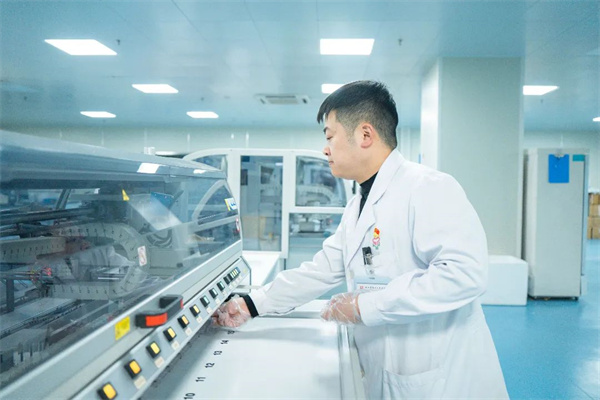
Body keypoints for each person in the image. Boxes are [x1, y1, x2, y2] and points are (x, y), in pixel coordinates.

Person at [213, 81, 508, 399]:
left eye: (330, 137)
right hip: (389, 365)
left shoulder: (428, 187)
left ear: (365, 135)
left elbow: (464, 275)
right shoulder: (358, 203)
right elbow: (322, 269)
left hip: (442, 378)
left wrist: (364, 306)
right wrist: (252, 304)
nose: (325, 149)